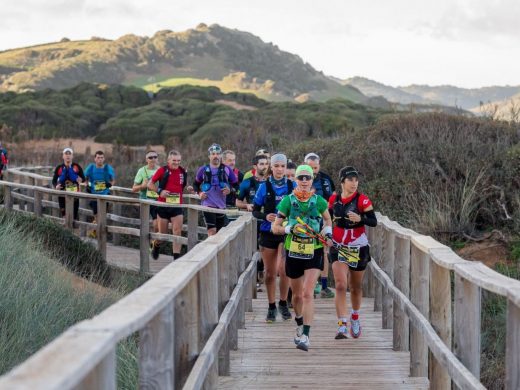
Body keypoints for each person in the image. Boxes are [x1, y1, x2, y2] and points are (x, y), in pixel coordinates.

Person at [272, 164, 333, 351]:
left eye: (308, 178)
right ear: (295, 180)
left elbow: (328, 220)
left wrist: (327, 233)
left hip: (313, 250)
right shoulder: (287, 202)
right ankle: (299, 322)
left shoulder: (319, 201)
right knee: (297, 296)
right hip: (293, 251)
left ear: (312, 180)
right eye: (301, 178)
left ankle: (306, 335)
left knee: (308, 293)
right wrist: (289, 229)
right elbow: (275, 227)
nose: (305, 181)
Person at [329, 166, 377, 339]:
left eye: (356, 180)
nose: (354, 183)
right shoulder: (334, 199)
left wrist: (361, 219)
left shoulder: (362, 200)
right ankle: (342, 324)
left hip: (358, 247)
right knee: (340, 284)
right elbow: (327, 218)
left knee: (355, 287)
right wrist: (326, 233)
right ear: (342, 181)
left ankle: (355, 317)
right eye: (350, 179)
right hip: (338, 245)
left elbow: (374, 221)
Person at [252, 153, 294, 322]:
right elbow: (255, 210)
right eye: (276, 166)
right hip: (268, 232)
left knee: (284, 270)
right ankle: (271, 306)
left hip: (286, 232)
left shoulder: (292, 186)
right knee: (270, 273)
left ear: (285, 168)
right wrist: (265, 216)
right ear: (272, 167)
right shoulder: (264, 187)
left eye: (282, 166)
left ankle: (283, 303)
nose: (279, 169)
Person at [304, 152, 336, 299]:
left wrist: (328, 219)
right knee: (306, 251)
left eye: (315, 167)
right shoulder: (300, 178)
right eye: (310, 167)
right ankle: (310, 284)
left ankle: (324, 286)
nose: (313, 171)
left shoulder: (325, 179)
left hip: (323, 219)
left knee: (324, 252)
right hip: (303, 221)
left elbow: (333, 198)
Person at [148, 150, 190, 260]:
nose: (176, 163)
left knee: (177, 232)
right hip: (163, 206)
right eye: (174, 160)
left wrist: (190, 188)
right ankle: (156, 245)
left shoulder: (183, 171)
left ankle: (176, 259)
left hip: (177, 206)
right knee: (163, 235)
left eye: (179, 160)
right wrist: (159, 191)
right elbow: (150, 184)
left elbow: (181, 186)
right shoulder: (162, 170)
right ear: (168, 160)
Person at [237, 154, 269, 289]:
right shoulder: (247, 183)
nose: (265, 166)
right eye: (261, 164)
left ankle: (264, 273)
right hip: (253, 222)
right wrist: (246, 206)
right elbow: (237, 202)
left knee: (266, 250)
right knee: (255, 250)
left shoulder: (272, 182)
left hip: (270, 221)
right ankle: (256, 277)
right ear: (255, 166)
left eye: (266, 164)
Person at [194, 144, 238, 236]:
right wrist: (200, 193)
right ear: (209, 156)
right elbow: (195, 184)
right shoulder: (203, 170)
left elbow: (236, 185)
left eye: (218, 154)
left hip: (221, 206)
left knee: (220, 234)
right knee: (212, 232)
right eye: (213, 154)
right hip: (207, 205)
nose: (215, 156)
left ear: (221, 156)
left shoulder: (227, 169)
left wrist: (230, 190)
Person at [52, 148, 85, 220]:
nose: (68, 156)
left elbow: (83, 179)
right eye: (66, 154)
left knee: (73, 218)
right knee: (65, 217)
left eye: (69, 154)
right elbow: (54, 181)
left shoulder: (77, 167)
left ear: (72, 156)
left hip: (74, 195)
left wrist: (80, 180)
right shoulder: (59, 168)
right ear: (63, 156)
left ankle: (71, 230)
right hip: (62, 195)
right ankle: (66, 230)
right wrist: (56, 186)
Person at [132, 150, 160, 234]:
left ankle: (153, 243)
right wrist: (142, 186)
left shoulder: (160, 170)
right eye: (150, 157)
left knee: (157, 225)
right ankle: (145, 244)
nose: (153, 159)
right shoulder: (141, 171)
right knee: (145, 226)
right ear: (146, 159)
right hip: (145, 201)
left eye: (155, 157)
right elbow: (133, 188)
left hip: (157, 201)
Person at [84, 150, 115, 217]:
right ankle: (97, 225)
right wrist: (87, 185)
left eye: (101, 157)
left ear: (104, 159)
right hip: (94, 194)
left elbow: (112, 180)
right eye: (98, 157)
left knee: (103, 214)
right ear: (95, 159)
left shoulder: (108, 168)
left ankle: (99, 226)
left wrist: (110, 184)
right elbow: (85, 178)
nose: (100, 159)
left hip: (105, 194)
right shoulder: (91, 167)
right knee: (96, 214)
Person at [223, 150, 243, 221]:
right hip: (218, 207)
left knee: (232, 229)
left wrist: (233, 190)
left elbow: (243, 190)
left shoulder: (239, 174)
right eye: (230, 160)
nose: (232, 163)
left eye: (234, 160)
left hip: (234, 208)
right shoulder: (216, 173)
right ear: (223, 161)